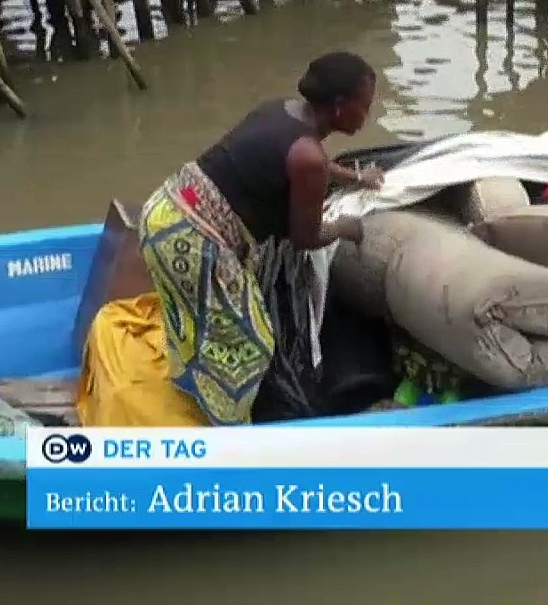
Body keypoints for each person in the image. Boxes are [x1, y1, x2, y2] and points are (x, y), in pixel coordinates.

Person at [137, 51, 383, 425]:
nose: (367, 116)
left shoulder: (281, 112)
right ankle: (229, 428)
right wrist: (347, 227)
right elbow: (306, 236)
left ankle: (191, 390)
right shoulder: (308, 156)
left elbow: (311, 165)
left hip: (163, 213)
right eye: (364, 106)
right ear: (338, 106)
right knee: (251, 344)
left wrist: (356, 178)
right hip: (192, 241)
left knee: (197, 321)